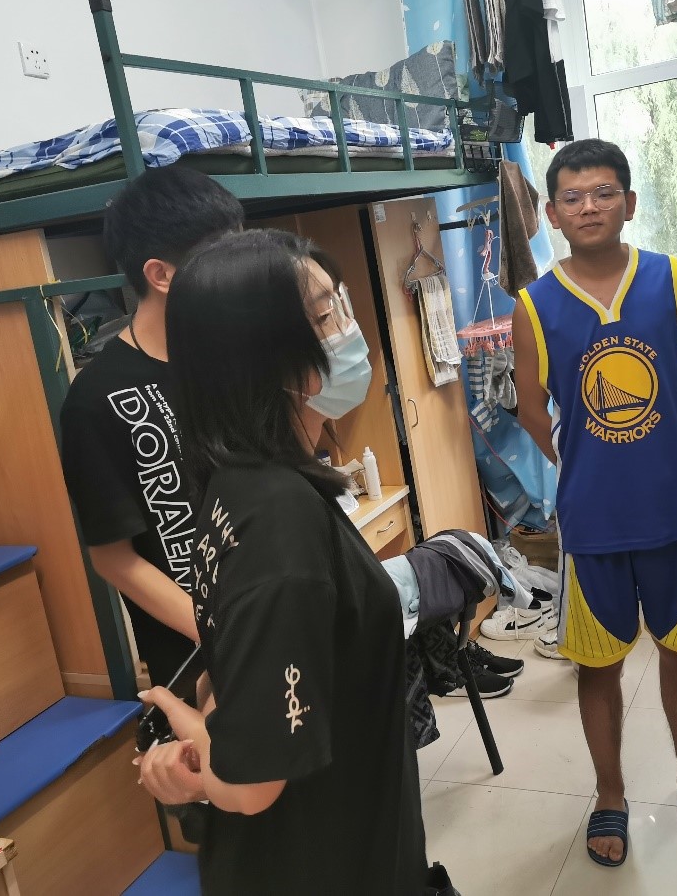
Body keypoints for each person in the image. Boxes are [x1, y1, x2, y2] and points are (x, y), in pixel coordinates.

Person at [135, 229, 428, 894]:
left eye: (339, 305)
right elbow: (250, 786)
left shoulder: (240, 480)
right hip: (321, 863)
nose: (348, 332)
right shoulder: (279, 521)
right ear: (268, 355)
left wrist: (208, 718)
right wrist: (191, 753)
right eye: (326, 317)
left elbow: (240, 658)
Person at [511, 138, 677, 868]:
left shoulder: (674, 279)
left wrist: (657, 456)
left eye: (603, 192)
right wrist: (585, 466)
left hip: (673, 510)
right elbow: (530, 408)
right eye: (572, 197)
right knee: (598, 664)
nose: (588, 206)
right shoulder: (534, 304)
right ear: (552, 214)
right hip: (591, 522)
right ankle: (610, 792)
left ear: (628, 201)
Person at [60, 165, 245, 688]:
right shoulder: (95, 399)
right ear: (160, 275)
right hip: (202, 655)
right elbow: (113, 559)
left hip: (277, 610)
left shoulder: (232, 359)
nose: (238, 273)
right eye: (220, 259)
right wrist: (220, 632)